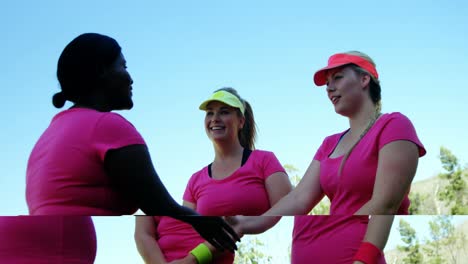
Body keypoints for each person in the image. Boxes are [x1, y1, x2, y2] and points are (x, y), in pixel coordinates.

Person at [17, 33, 239, 263]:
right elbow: (156, 203)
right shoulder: (107, 126)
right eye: (123, 66)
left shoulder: (52, 131)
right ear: (102, 71)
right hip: (63, 249)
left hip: (44, 246)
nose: (130, 78)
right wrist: (205, 224)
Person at [228, 51, 426, 264]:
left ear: (364, 79)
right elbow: (298, 199)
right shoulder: (329, 144)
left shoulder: (394, 125)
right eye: (327, 83)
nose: (329, 88)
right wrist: (247, 223)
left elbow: (385, 205)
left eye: (338, 77)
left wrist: (363, 259)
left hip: (357, 255)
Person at [135, 88, 292, 263]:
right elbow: (187, 230)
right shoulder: (196, 179)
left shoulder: (264, 160)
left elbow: (291, 205)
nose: (215, 118)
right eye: (210, 113)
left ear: (241, 121)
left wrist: (244, 225)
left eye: (224, 112)